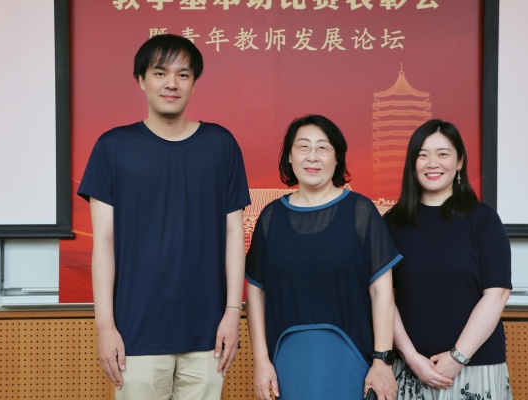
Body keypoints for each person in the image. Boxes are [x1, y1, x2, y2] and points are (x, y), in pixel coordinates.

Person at [77, 34, 251, 400]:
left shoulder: (220, 144)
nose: (172, 83)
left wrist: (232, 313)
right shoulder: (112, 147)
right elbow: (103, 243)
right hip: (135, 332)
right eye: (160, 73)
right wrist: (105, 327)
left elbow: (234, 233)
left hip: (208, 333)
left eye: (183, 75)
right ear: (141, 80)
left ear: (194, 83)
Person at [246, 114, 402, 400]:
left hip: (352, 362)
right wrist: (260, 360)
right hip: (286, 364)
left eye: (323, 147)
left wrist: (382, 361)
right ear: (289, 156)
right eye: (303, 147)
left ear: (337, 157)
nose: (312, 157)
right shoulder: (270, 218)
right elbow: (256, 291)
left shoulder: (361, 212)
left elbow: (382, 292)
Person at [383, 119, 513, 400]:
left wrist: (458, 357)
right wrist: (411, 357)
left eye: (443, 153)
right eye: (422, 154)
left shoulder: (483, 219)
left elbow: (497, 294)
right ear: (412, 163)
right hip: (410, 367)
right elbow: (384, 298)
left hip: (475, 366)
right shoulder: (392, 223)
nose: (433, 163)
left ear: (459, 162)